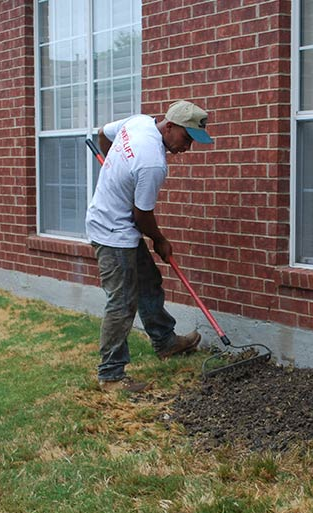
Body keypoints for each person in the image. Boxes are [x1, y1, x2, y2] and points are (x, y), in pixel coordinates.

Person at [86, 100, 215, 392]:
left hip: (121, 224)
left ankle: (165, 341)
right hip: (111, 230)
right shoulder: (153, 162)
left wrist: (115, 169)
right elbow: (141, 215)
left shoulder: (138, 122)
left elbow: (103, 133)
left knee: (149, 281)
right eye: (187, 139)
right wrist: (160, 240)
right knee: (122, 302)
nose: (188, 148)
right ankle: (111, 375)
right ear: (169, 127)